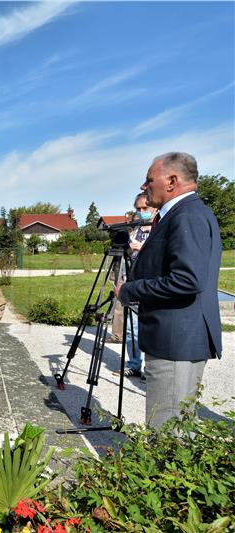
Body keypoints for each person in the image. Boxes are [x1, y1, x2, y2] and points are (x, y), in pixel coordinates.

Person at [116, 152, 222, 429]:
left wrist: (131, 290)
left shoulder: (186, 216)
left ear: (172, 181)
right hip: (176, 336)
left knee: (166, 431)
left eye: (149, 180)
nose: (143, 186)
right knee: (174, 427)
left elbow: (187, 280)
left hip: (176, 339)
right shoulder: (180, 214)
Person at [117, 192, 157, 381]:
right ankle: (134, 364)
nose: (141, 212)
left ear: (154, 207)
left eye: (145, 209)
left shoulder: (159, 227)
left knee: (151, 327)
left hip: (151, 285)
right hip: (133, 281)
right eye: (138, 209)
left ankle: (151, 369)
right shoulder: (136, 229)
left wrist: (142, 249)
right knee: (132, 327)